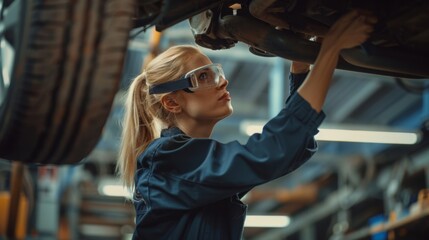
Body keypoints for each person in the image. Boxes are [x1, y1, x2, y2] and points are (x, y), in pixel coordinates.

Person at [117, 10, 377, 240]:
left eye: (216, 72)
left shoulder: (195, 170)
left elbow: (289, 152)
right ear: (172, 103)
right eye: (203, 77)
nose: (222, 82)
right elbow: (270, 153)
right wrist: (331, 50)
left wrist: (300, 70)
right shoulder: (167, 161)